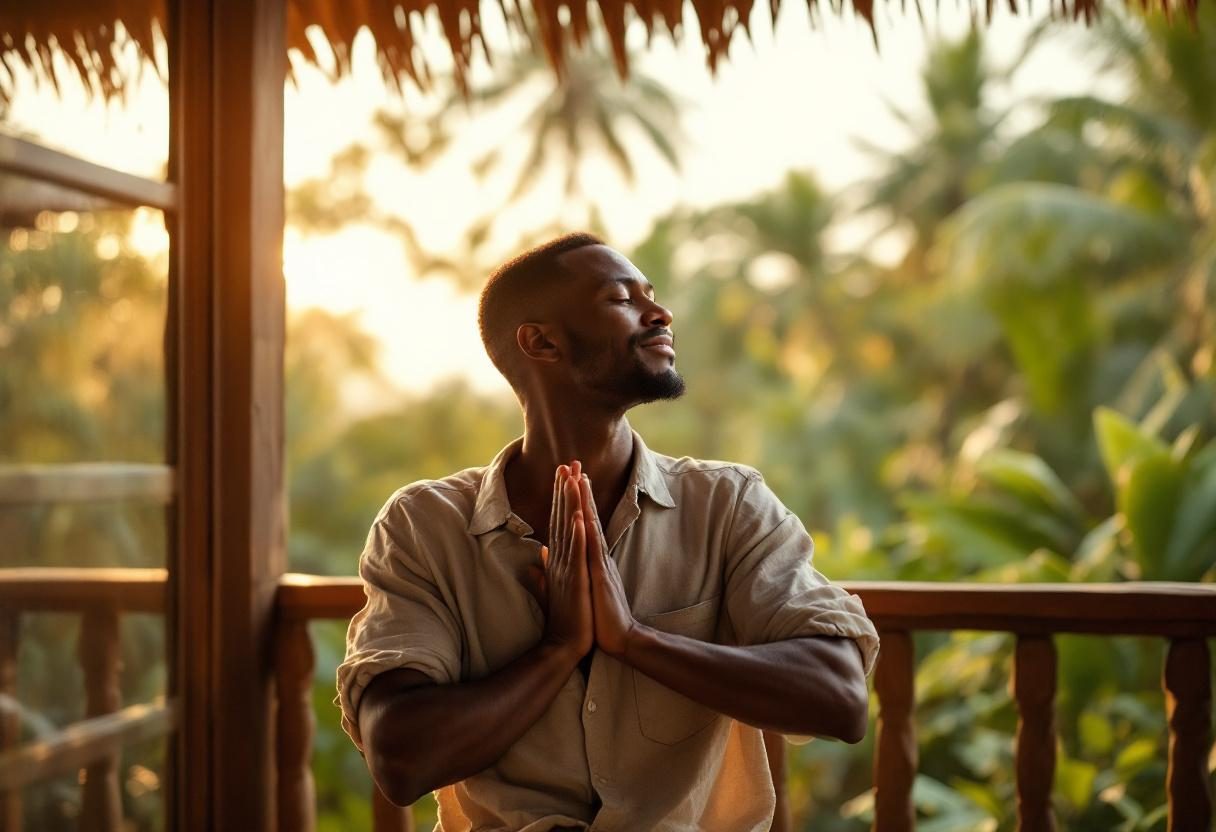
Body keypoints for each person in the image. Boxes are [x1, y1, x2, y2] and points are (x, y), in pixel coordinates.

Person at [336, 232, 881, 832]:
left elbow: (840, 698)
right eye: (621, 299)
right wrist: (556, 652)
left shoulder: (728, 505)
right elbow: (399, 758)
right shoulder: (424, 526)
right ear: (540, 341)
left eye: (651, 294)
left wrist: (634, 641)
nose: (660, 313)